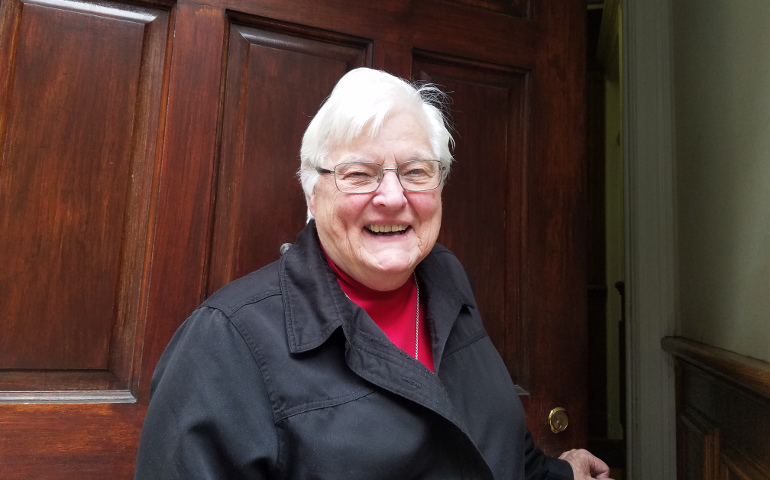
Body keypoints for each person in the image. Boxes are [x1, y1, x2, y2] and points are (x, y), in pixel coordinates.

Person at [134, 68, 611, 479]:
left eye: (416, 171)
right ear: (311, 194)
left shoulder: (448, 282)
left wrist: (561, 472)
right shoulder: (223, 341)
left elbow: (493, 453)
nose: (392, 196)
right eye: (359, 174)